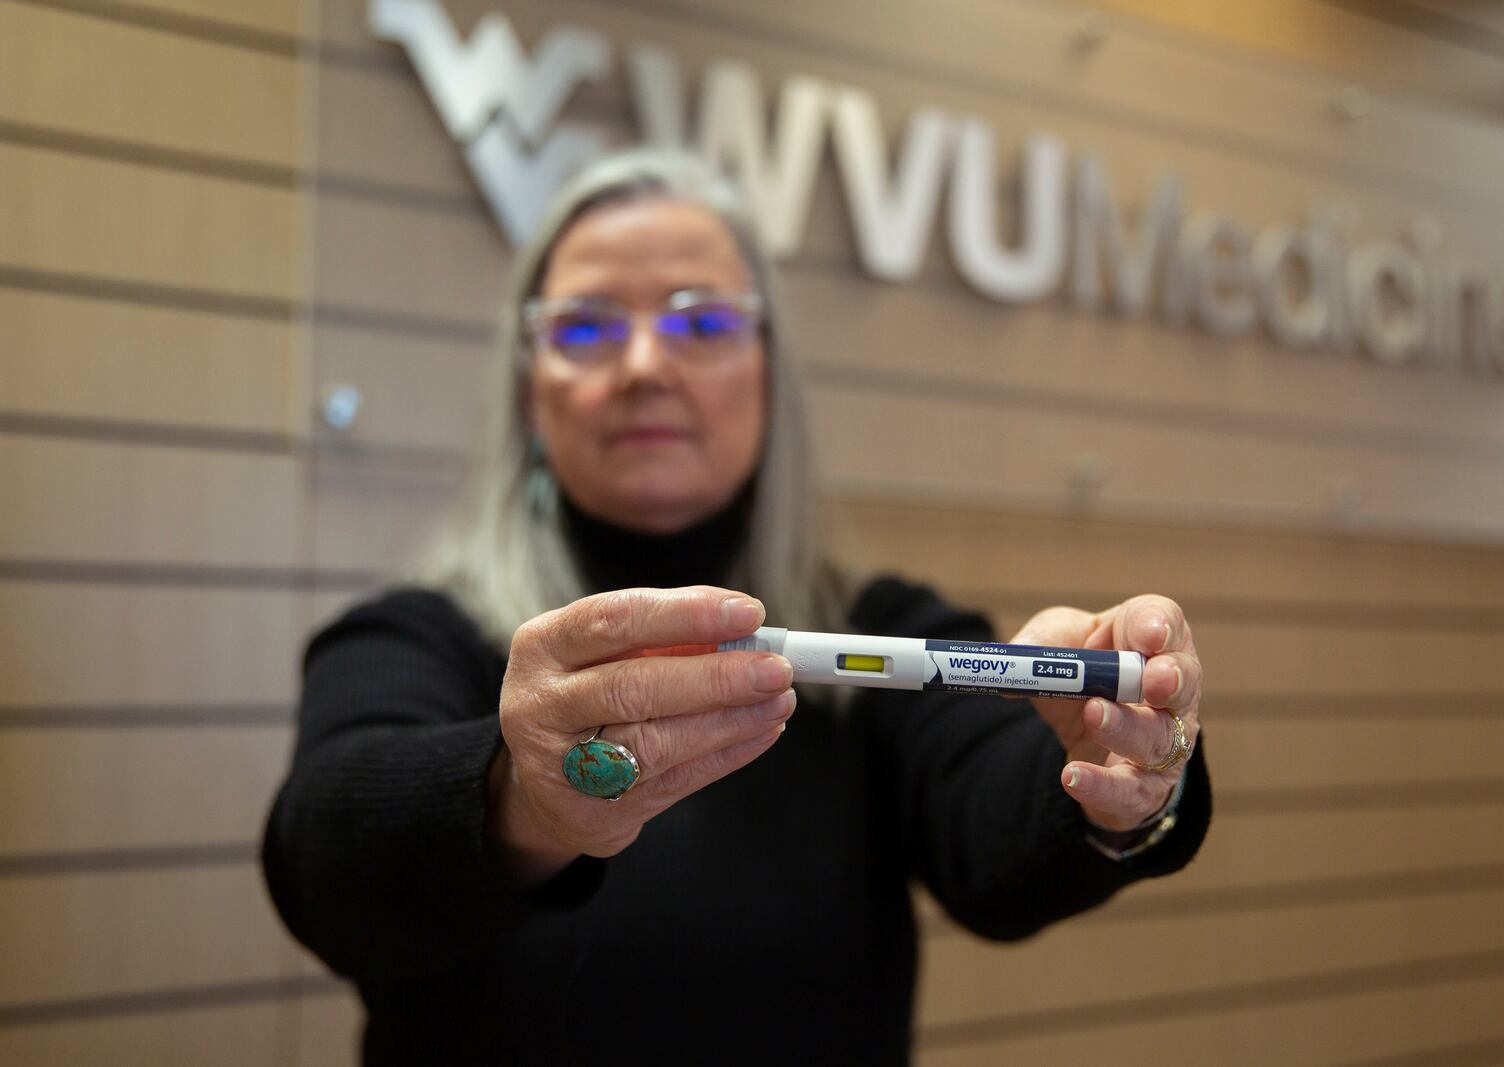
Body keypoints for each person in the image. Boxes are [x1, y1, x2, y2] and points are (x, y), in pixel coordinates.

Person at [261, 148, 1210, 1065]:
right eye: (585, 328)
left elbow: (996, 836)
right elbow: (327, 865)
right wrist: (524, 796)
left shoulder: (877, 623)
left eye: (701, 325)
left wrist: (1104, 759)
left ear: (768, 373)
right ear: (526, 386)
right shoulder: (414, 637)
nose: (642, 365)